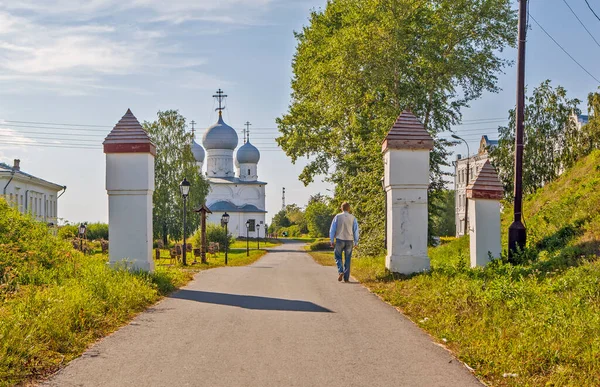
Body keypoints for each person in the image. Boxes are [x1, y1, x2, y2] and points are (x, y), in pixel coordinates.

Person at [329, 202, 359, 282]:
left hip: (339, 239)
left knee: (338, 257)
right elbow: (356, 231)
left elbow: (332, 229)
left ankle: (340, 271)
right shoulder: (353, 218)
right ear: (349, 209)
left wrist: (331, 240)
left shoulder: (337, 217)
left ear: (341, 208)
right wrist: (356, 242)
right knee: (348, 259)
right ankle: (346, 278)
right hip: (349, 240)